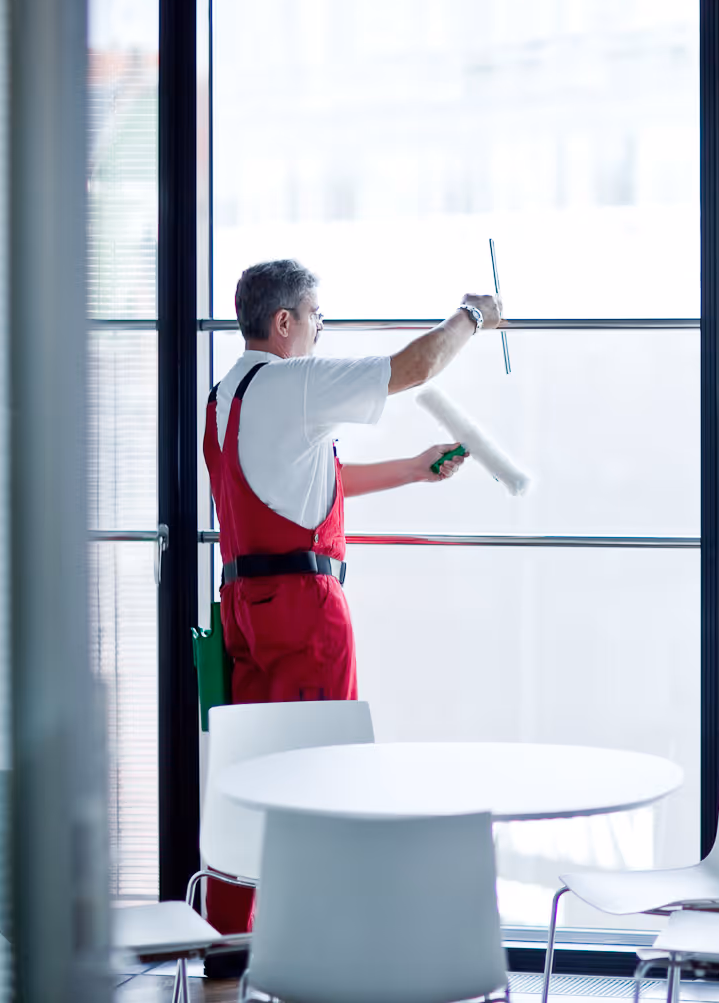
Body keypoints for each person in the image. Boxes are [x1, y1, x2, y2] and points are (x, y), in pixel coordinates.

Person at [201, 258, 502, 935]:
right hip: (305, 611)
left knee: (249, 774)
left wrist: (412, 470)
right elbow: (414, 367)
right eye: (315, 318)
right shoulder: (291, 383)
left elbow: (301, 489)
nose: (319, 332)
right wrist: (475, 316)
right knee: (325, 775)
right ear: (283, 323)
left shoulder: (227, 398)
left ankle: (231, 943)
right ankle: (330, 943)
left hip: (245, 609)